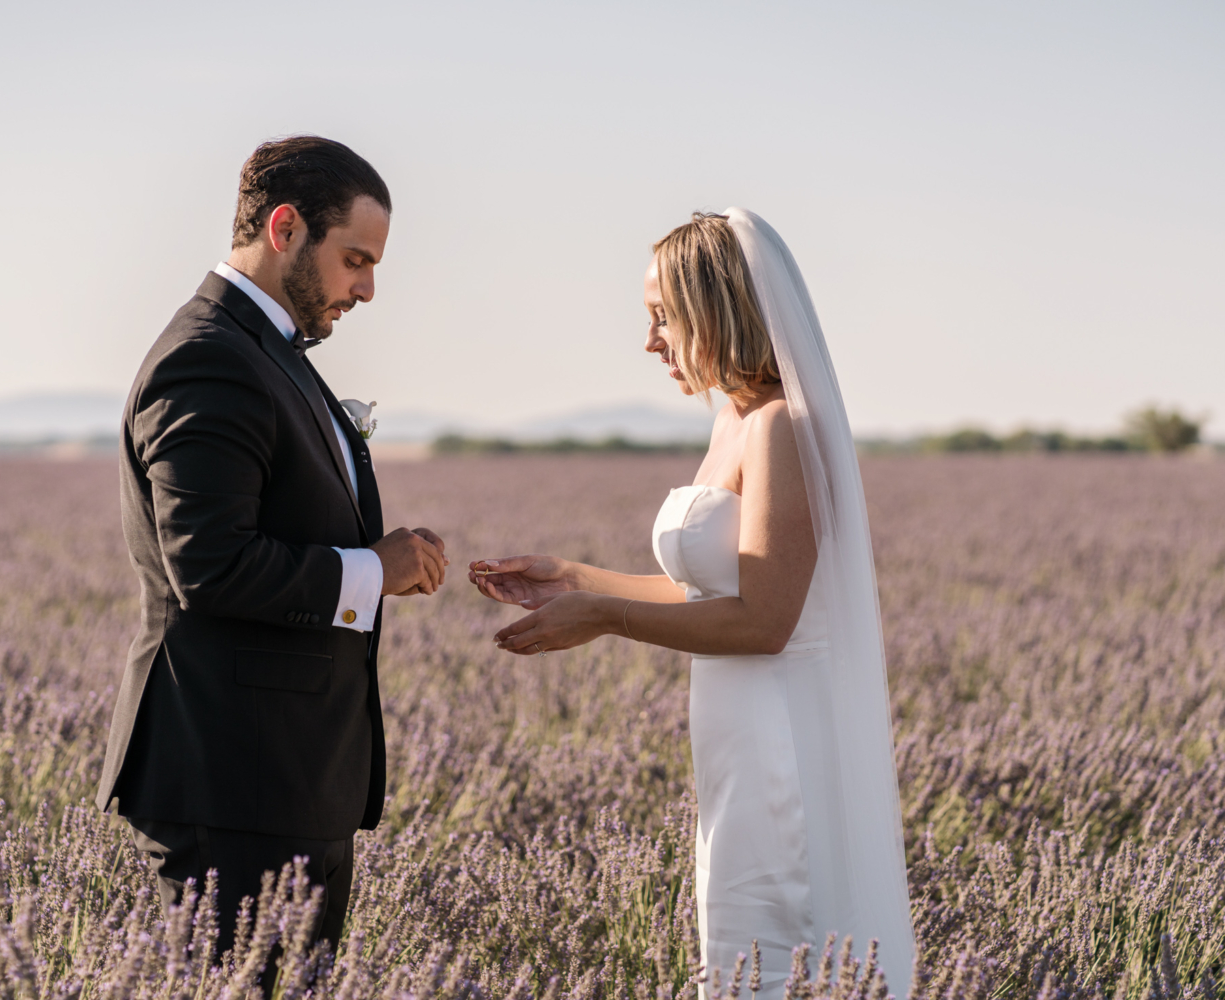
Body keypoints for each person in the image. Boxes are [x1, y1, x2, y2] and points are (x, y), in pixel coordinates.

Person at [469, 210, 914, 994]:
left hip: (780, 732)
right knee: (740, 940)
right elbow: (708, 589)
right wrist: (575, 579)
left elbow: (766, 622)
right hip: (735, 734)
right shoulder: (733, 421)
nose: (651, 342)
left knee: (779, 948)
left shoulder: (780, 425)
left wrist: (605, 620)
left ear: (717, 309)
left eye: (661, 317)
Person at [96, 136, 449, 978]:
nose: (367, 287)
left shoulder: (270, 354)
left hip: (293, 783)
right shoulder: (208, 358)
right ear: (285, 228)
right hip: (230, 787)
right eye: (355, 259)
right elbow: (209, 563)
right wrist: (374, 571)